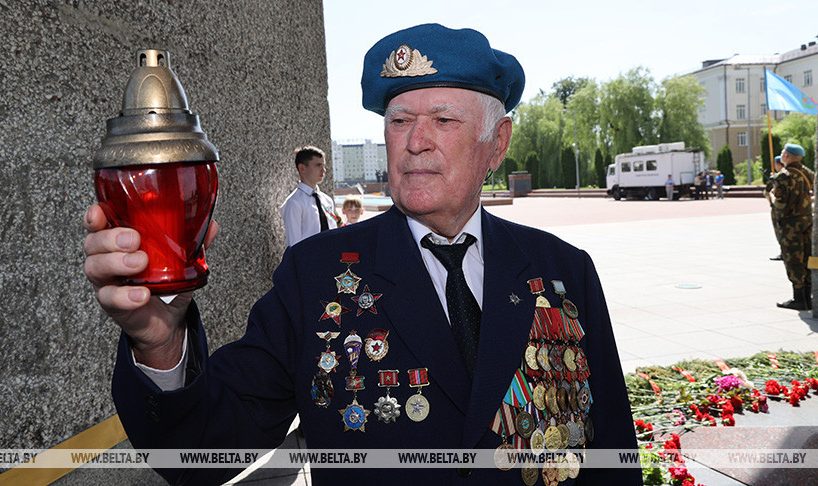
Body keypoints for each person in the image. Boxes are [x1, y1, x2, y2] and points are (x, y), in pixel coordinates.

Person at [83, 23, 639, 485]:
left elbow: (614, 457)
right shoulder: (316, 276)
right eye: (399, 121)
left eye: (443, 120)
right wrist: (159, 340)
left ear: (497, 143)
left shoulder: (564, 273)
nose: (415, 140)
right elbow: (204, 446)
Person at [769, 143, 814, 310]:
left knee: (793, 259)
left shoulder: (784, 176)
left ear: (786, 156)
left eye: (782, 152)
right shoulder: (807, 172)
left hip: (790, 225)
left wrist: (772, 196)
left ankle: (799, 299)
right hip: (807, 221)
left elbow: (780, 205)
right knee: (808, 257)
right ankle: (809, 297)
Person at [279, 145, 341, 246]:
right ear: (302, 168)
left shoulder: (327, 200)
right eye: (318, 165)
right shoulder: (294, 203)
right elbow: (294, 245)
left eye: (324, 165)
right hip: (308, 259)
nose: (324, 170)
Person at [766, 156, 785, 261]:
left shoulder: (780, 177)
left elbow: (768, 193)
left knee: (780, 231)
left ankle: (784, 252)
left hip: (779, 209)